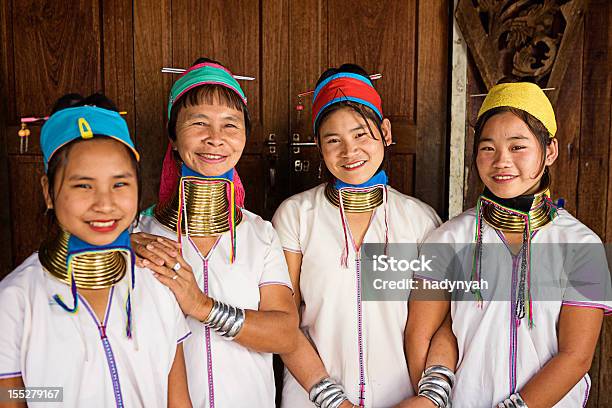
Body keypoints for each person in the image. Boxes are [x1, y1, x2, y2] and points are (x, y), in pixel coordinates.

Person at [409, 81, 612, 407]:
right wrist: (432, 399)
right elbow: (426, 333)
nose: (501, 161)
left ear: (550, 151)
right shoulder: (448, 238)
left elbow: (575, 356)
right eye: (488, 148)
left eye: (518, 147)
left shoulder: (581, 245)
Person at [271, 64, 452, 408]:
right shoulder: (296, 216)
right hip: (312, 399)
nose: (349, 151)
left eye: (360, 135)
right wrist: (331, 399)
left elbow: (438, 321)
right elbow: (284, 322)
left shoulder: (421, 220)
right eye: (333, 140)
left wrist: (430, 397)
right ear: (319, 146)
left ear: (385, 131)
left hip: (400, 400)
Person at [0, 93, 191, 407]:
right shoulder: (16, 300)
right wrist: (58, 394)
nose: (105, 204)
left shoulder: (156, 283)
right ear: (49, 191)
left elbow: (178, 400)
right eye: (83, 185)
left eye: (120, 184)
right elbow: (11, 396)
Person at [131, 58, 298, 407]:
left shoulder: (260, 234)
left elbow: (284, 333)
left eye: (230, 125)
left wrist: (201, 306)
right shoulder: (141, 235)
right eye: (198, 123)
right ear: (173, 137)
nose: (215, 138)